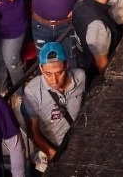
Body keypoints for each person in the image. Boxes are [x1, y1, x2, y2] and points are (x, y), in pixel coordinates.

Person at [22, 41, 86, 172]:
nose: (54, 80)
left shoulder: (80, 77)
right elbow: (34, 134)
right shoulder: (32, 91)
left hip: (80, 144)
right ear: (40, 68)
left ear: (67, 65)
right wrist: (57, 157)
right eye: (48, 73)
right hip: (55, 149)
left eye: (59, 72)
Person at [70, 0, 119, 89]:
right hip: (95, 75)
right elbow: (102, 63)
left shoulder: (79, 5)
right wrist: (110, 86)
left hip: (83, 62)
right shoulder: (97, 24)